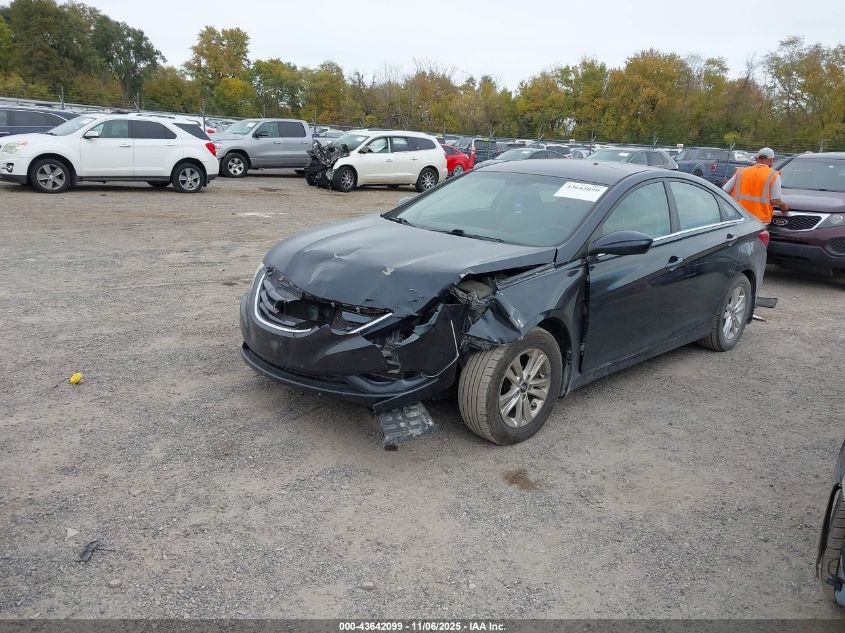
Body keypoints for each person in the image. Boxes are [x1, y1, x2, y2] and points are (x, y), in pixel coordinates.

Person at [722, 147, 788, 223]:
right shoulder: (774, 175)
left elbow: (724, 191)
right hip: (760, 221)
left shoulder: (741, 172)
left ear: (756, 159)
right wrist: (784, 205)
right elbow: (775, 200)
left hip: (739, 218)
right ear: (771, 160)